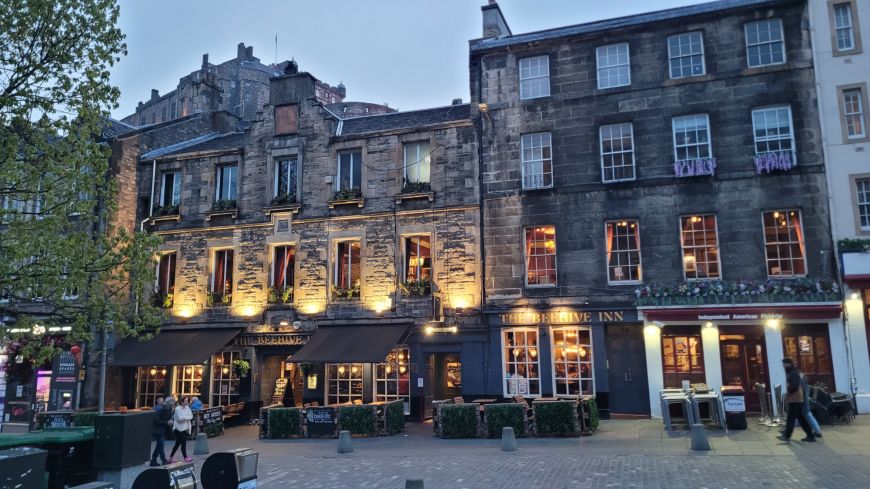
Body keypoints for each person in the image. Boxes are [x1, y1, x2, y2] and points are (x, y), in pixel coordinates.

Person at [776, 358, 815, 443]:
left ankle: (787, 436)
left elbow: (794, 386)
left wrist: (788, 392)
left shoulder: (793, 373)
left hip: (795, 398)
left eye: (784, 364)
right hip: (796, 398)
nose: (783, 366)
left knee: (791, 418)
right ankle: (811, 436)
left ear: (788, 364)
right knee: (801, 418)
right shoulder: (791, 372)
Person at [150, 396, 175, 466]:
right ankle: (162, 459)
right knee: (161, 444)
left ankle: (154, 460)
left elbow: (169, 418)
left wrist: (170, 422)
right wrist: (167, 422)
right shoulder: (161, 410)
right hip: (158, 430)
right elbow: (156, 420)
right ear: (170, 403)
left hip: (163, 429)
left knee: (159, 446)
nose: (174, 403)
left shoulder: (170, 409)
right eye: (173, 402)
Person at [169, 396, 194, 463]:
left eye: (187, 400)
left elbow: (191, 416)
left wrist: (185, 418)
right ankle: (185, 457)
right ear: (182, 401)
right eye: (186, 400)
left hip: (185, 428)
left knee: (177, 444)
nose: (187, 402)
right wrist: (187, 418)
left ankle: (170, 457)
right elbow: (180, 419)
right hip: (178, 429)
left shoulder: (187, 408)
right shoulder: (177, 409)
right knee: (183, 442)